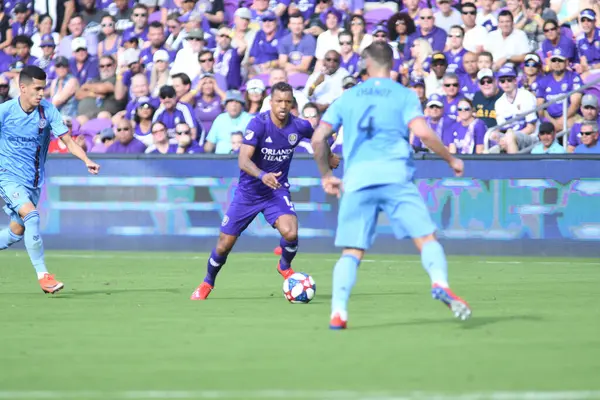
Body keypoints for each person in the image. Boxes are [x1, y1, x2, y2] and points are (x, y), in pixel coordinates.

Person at [310, 42, 471, 330]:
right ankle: (439, 282)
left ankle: (338, 312)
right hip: (396, 176)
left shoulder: (347, 97)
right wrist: (450, 158)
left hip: (358, 180)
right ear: (391, 64)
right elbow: (423, 132)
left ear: (366, 65)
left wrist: (325, 174)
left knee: (352, 251)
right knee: (426, 238)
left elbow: (318, 138)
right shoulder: (404, 94)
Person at [190, 82, 340, 300]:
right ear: (270, 102)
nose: (283, 106)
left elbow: (318, 137)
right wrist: (262, 175)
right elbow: (243, 160)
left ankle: (284, 266)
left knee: (291, 232)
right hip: (248, 193)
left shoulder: (299, 126)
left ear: (292, 104)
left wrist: (328, 155)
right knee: (224, 245)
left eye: (288, 102)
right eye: (279, 101)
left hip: (276, 191)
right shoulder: (258, 124)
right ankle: (207, 282)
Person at [0, 66, 99, 294]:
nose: (41, 93)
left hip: (34, 181)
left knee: (16, 232)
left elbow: (68, 141)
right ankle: (44, 276)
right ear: (22, 88)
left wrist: (86, 160)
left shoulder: (47, 111)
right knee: (32, 216)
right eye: (36, 89)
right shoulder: (5, 111)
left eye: (43, 88)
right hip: (7, 176)